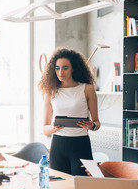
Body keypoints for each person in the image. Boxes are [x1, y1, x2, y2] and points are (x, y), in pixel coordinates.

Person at [38, 47, 100, 176]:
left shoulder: (87, 89)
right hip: (58, 146)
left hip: (80, 145)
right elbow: (44, 129)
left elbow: (97, 123)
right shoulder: (51, 91)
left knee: (82, 188)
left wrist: (92, 125)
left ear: (73, 68)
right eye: (57, 68)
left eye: (65, 68)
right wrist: (54, 128)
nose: (60, 72)